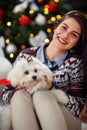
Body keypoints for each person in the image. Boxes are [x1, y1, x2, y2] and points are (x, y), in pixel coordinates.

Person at [1, 10, 87, 130]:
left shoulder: (75, 62)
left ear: (77, 42)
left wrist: (50, 87)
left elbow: (77, 108)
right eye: (64, 28)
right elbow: (5, 94)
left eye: (74, 35)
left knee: (41, 95)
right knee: (19, 95)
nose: (65, 35)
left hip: (65, 119)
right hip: (29, 115)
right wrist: (20, 89)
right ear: (56, 27)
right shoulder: (26, 55)